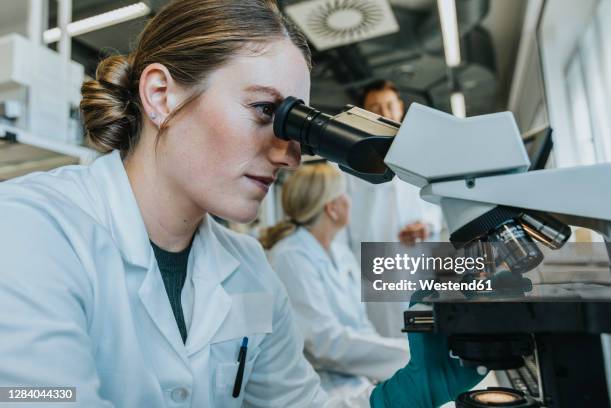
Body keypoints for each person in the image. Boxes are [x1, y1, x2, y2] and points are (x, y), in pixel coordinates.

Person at [0, 1, 482, 407]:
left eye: (297, 129)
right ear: (161, 96)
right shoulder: (32, 230)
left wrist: (397, 399)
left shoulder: (249, 270)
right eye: (266, 111)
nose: (290, 154)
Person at [261, 163, 410, 398]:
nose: (349, 202)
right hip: (320, 387)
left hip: (357, 379)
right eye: (345, 196)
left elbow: (362, 326)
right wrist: (407, 356)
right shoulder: (290, 256)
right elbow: (321, 343)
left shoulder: (341, 252)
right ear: (332, 208)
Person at [343, 80, 444, 338]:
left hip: (417, 262)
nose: (385, 114)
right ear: (364, 113)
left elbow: (439, 203)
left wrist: (427, 225)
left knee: (423, 336)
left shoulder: (423, 154)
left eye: (389, 106)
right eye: (376, 107)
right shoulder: (349, 159)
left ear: (400, 108)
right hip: (370, 268)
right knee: (385, 341)